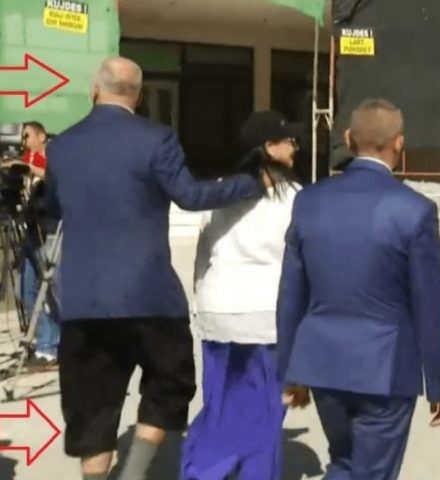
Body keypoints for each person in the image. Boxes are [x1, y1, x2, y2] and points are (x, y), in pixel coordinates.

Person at [45, 57, 266, 480]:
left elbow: (52, 208)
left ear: (95, 89)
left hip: (84, 300)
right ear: (140, 95)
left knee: (91, 404)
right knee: (169, 385)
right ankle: (133, 473)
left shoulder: (62, 146)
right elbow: (190, 196)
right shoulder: (157, 138)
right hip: (149, 295)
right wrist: (251, 182)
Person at [277, 98, 440, 479]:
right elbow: (431, 306)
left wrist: (290, 368)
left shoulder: (308, 202)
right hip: (386, 370)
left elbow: (291, 293)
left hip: (324, 363)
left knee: (344, 463)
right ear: (399, 144)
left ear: (347, 138)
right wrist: (438, 381)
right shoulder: (415, 210)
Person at [181, 111, 303, 480]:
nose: (296, 147)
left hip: (219, 313)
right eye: (290, 140)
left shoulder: (222, 191)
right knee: (264, 411)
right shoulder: (294, 198)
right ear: (270, 147)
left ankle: (202, 470)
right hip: (267, 317)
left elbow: (204, 253)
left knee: (220, 404)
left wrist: (202, 303)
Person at [17, 121, 61, 369]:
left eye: (27, 136)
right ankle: (45, 338)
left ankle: (50, 345)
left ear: (41, 136)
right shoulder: (26, 158)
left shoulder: (56, 156)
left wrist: (30, 169)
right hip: (32, 229)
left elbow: (56, 179)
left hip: (50, 230)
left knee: (51, 291)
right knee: (24, 289)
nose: (24, 141)